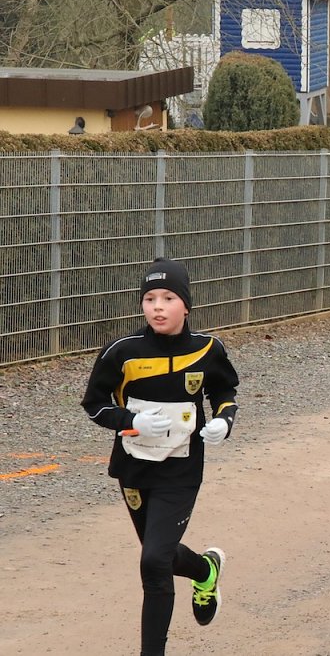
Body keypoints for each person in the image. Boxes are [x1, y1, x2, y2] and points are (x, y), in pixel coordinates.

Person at [81, 258, 239, 656]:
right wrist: (130, 421)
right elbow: (95, 404)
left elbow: (224, 392)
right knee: (161, 556)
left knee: (153, 561)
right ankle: (205, 570)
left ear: (186, 305)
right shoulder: (122, 352)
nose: (158, 307)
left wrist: (224, 421)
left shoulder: (207, 349)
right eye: (150, 298)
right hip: (133, 469)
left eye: (168, 298)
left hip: (181, 470)